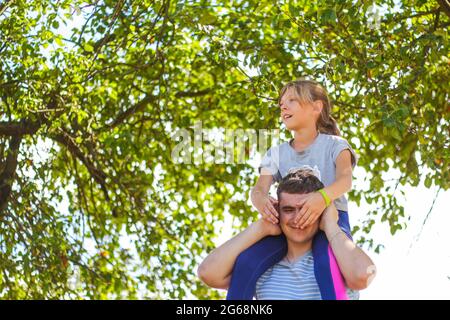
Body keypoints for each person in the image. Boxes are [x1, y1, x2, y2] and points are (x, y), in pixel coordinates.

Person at [230, 79, 360, 299]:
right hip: (288, 227)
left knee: (325, 263)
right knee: (246, 262)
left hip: (329, 223)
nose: (283, 106)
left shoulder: (336, 145)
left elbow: (345, 181)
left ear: (316, 107)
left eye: (292, 100)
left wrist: (321, 199)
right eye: (281, 103)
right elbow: (259, 188)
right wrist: (260, 199)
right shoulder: (276, 152)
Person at [197, 169, 376, 299]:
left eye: (306, 210)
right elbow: (208, 272)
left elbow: (363, 276)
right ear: (278, 212)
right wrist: (262, 226)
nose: (297, 218)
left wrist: (331, 225)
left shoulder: (337, 262)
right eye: (288, 210)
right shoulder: (262, 268)